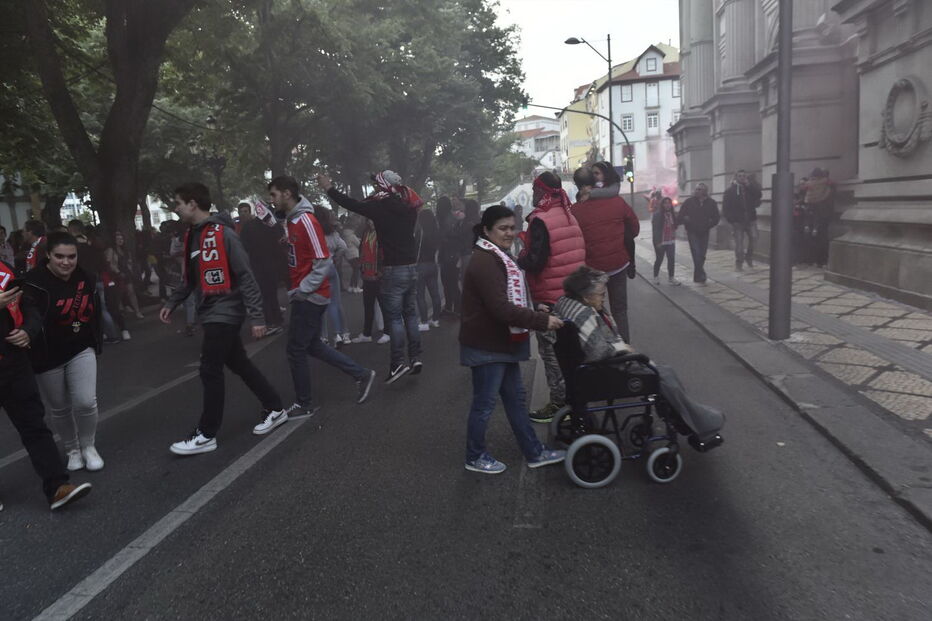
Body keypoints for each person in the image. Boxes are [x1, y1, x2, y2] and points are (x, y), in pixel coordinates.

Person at [160, 182, 288, 455]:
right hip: (211, 311)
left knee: (209, 369)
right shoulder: (192, 236)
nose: (176, 208)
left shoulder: (225, 234)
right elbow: (190, 279)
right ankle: (275, 407)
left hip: (226, 311)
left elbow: (246, 275)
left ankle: (206, 433)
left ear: (193, 203)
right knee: (240, 364)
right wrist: (173, 302)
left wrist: (257, 317)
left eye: (178, 203)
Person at [460, 204, 566, 474]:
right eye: (502, 228)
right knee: (484, 405)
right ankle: (474, 457)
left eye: (512, 227)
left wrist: (533, 309)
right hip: (487, 345)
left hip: (501, 343)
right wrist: (540, 320)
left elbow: (509, 298)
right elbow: (500, 308)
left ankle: (534, 452)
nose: (509, 233)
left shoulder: (498, 256)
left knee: (516, 399)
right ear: (486, 230)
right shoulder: (484, 261)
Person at [267, 176, 376, 416]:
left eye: (274, 194)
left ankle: (305, 403)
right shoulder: (295, 220)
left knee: (296, 349)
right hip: (306, 293)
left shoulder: (305, 220)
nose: (271, 200)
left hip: (310, 295)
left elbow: (323, 261)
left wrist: (303, 290)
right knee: (312, 345)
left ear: (287, 193)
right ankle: (362, 374)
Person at [0, 255, 92, 510]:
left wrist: (28, 330)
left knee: (35, 426)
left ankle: (58, 487)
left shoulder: (4, 268)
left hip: (14, 363)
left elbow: (29, 305)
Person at [318, 170, 423, 383]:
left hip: (393, 269)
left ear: (384, 186)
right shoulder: (409, 206)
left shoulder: (379, 207)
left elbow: (351, 204)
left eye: (377, 184)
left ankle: (397, 364)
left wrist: (328, 188)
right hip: (412, 267)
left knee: (394, 318)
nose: (374, 188)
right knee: (410, 315)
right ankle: (415, 358)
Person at [26, 232, 105, 472]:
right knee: (59, 408)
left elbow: (97, 312)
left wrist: (96, 342)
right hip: (46, 355)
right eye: (59, 256)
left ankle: (88, 446)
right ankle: (72, 449)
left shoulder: (87, 277)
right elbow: (28, 316)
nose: (66, 262)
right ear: (48, 255)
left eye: (71, 256)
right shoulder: (32, 281)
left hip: (80, 347)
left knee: (85, 401)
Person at [517, 171, 586, 424]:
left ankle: (559, 404)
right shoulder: (569, 214)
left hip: (551, 298)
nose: (533, 195)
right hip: (574, 297)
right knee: (571, 352)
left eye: (535, 190)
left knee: (552, 353)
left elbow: (536, 260)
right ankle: (577, 399)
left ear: (543, 192)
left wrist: (520, 258)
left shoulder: (541, 220)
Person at [570, 165, 640, 343]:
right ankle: (625, 349)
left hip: (592, 269)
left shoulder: (575, 210)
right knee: (620, 309)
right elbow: (635, 228)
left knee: (595, 309)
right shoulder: (617, 202)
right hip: (618, 264)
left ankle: (603, 349)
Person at [237, 200, 285, 334]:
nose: (243, 215)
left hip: (257, 265)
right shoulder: (270, 225)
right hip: (271, 265)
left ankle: (271, 322)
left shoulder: (247, 228)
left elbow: (243, 248)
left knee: (264, 295)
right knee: (271, 295)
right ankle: (277, 320)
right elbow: (279, 239)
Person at [350, 219, 389, 344]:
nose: (371, 222)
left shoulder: (383, 233)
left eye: (373, 219)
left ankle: (388, 332)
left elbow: (386, 253)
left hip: (379, 275)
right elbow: (362, 251)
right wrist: (361, 268)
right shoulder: (366, 233)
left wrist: (382, 271)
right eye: (369, 220)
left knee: (384, 305)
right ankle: (366, 333)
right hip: (367, 275)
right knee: (368, 306)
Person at [319, 208, 351, 346]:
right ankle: (341, 334)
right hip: (331, 267)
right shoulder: (333, 232)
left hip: (317, 270)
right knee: (336, 303)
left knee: (320, 304)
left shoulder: (314, 233)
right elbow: (343, 247)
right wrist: (336, 259)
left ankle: (323, 336)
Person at [678, 182, 720, 284]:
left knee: (702, 255)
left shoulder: (711, 203)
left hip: (704, 231)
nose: (697, 191)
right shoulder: (688, 202)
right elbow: (680, 216)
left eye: (700, 189)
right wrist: (686, 219)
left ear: (705, 191)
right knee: (696, 253)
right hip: (692, 231)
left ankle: (697, 276)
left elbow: (716, 217)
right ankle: (702, 273)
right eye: (696, 189)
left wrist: (710, 224)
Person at [722, 169, 762, 270]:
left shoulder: (750, 188)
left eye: (744, 176)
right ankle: (739, 262)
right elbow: (725, 207)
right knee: (739, 244)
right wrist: (731, 220)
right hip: (738, 222)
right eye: (739, 176)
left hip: (751, 219)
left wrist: (749, 185)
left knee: (754, 238)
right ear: (736, 177)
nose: (742, 177)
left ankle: (749, 257)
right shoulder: (730, 191)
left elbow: (758, 194)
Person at [414, 207, 442, 330]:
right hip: (433, 264)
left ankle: (424, 322)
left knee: (420, 295)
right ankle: (435, 319)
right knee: (435, 293)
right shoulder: (436, 231)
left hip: (421, 265)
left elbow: (416, 249)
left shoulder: (420, 232)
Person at [105, 230, 144, 319]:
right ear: (114, 240)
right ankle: (121, 311)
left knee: (131, 292)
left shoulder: (125, 250)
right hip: (117, 274)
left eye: (121, 239)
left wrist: (130, 270)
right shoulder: (111, 250)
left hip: (126, 273)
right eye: (118, 239)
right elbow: (109, 262)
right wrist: (117, 272)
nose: (120, 240)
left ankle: (137, 311)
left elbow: (129, 261)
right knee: (119, 294)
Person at [802, 168, 835, 267]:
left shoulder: (810, 185)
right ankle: (821, 261)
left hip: (815, 216)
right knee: (822, 239)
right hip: (823, 216)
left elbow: (803, 188)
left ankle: (814, 260)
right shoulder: (827, 185)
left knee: (814, 241)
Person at [436, 196, 462, 316]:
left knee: (448, 283)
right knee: (452, 283)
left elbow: (444, 237)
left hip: (447, 255)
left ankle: (451, 307)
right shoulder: (453, 218)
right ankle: (454, 307)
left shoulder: (444, 220)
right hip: (454, 255)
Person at [651, 197, 680, 285]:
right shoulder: (657, 215)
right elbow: (655, 229)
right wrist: (657, 242)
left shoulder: (672, 214)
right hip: (661, 241)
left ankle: (671, 277)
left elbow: (675, 225)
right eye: (665, 203)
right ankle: (656, 276)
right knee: (659, 259)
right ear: (662, 204)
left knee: (671, 259)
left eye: (669, 203)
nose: (667, 205)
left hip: (670, 240)